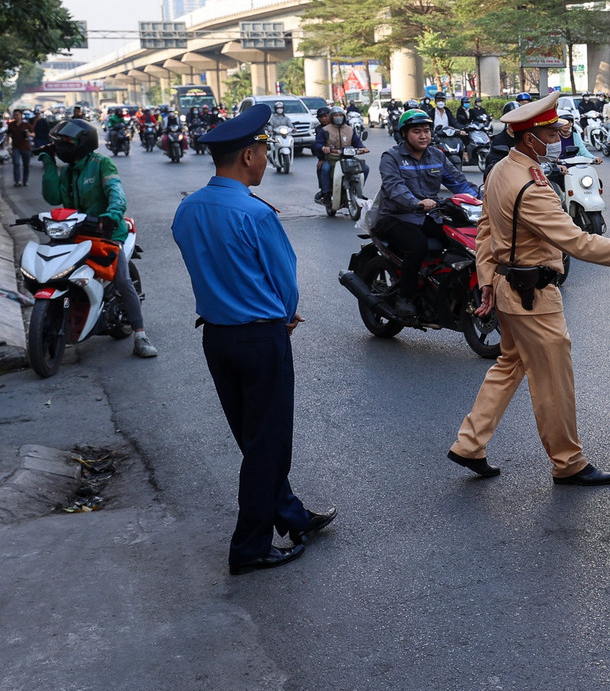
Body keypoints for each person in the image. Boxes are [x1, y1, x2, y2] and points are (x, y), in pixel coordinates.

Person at [447, 91, 610, 485]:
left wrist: (489, 281)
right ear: (531, 138)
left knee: (510, 364)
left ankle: (470, 443)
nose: (558, 136)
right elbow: (578, 242)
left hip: (511, 290)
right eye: (551, 131)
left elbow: (487, 231)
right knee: (553, 383)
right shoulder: (530, 186)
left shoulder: (500, 171)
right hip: (534, 298)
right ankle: (568, 462)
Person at [171, 105, 335, 575]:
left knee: (253, 438)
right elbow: (285, 280)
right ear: (247, 155)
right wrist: (283, 316)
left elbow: (204, 269)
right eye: (263, 151)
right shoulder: (255, 212)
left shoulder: (188, 208)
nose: (266, 159)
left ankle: (292, 515)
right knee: (268, 445)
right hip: (261, 340)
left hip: (218, 340)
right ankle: (250, 547)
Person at [35, 119, 156, 358]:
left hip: (107, 232)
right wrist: (49, 163)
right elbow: (52, 197)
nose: (61, 147)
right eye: (60, 143)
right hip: (75, 233)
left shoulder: (102, 163)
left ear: (83, 142)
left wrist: (111, 215)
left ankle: (140, 335)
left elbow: (116, 192)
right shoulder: (68, 170)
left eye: (67, 142)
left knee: (122, 278)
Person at [370, 108, 479, 319]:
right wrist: (416, 203)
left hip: (429, 215)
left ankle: (442, 285)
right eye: (416, 131)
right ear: (404, 134)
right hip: (395, 217)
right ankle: (406, 297)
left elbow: (459, 183)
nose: (423, 136)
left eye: (426, 131)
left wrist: (483, 197)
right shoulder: (391, 157)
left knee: (458, 239)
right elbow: (394, 188)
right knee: (417, 245)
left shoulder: (437, 155)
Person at [314, 107, 370, 201]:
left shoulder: (350, 129)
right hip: (332, 158)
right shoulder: (325, 130)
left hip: (349, 158)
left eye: (340, 115)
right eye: (336, 115)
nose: (338, 117)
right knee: (325, 169)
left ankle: (358, 190)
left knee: (366, 168)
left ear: (344, 117)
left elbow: (356, 141)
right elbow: (318, 144)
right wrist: (323, 148)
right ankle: (326, 193)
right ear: (332, 117)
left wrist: (363, 148)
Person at [8, 109, 32, 186]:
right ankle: (17, 181)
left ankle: (25, 181)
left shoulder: (27, 125)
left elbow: (34, 134)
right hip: (16, 147)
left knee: (26, 165)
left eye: (17, 115)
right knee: (16, 163)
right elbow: (8, 135)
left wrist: (29, 134)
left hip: (26, 147)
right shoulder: (11, 125)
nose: (15, 116)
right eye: (14, 115)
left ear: (21, 115)